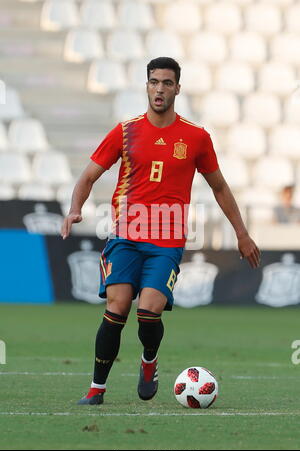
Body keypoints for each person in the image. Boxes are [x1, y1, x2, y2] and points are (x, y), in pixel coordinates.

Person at [61, 57, 260, 405]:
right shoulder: (125, 131)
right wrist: (76, 208)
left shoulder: (196, 138)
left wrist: (242, 234)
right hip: (125, 235)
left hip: (166, 241)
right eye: (154, 82)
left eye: (167, 83)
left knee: (148, 310)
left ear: (177, 89)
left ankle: (149, 361)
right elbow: (88, 176)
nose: (160, 89)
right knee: (117, 305)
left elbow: (220, 187)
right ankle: (97, 389)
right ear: (147, 85)